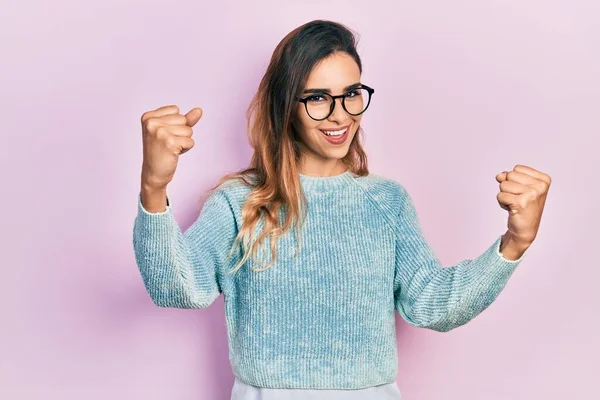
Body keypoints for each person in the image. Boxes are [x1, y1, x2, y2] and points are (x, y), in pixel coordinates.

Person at [133, 19, 550, 400]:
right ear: (285, 105)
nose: (340, 115)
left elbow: (433, 305)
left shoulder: (386, 202)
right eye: (317, 98)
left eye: (351, 94)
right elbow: (176, 288)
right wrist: (154, 187)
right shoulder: (239, 201)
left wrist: (515, 243)